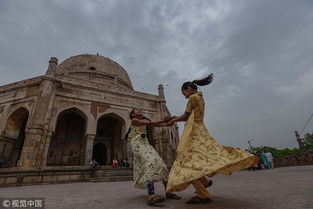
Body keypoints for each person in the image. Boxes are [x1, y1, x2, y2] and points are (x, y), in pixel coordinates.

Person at [165, 74, 257, 204]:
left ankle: (202, 194)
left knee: (186, 162)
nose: (184, 95)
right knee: (196, 158)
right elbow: (188, 116)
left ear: (189, 89)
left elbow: (186, 115)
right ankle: (204, 182)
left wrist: (172, 120)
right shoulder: (200, 98)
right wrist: (174, 118)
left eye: (184, 92)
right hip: (200, 130)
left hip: (194, 133)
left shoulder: (192, 98)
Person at [127, 108, 181, 206]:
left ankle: (168, 191)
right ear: (133, 115)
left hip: (146, 143)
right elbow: (151, 123)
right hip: (138, 144)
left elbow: (155, 124)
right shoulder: (134, 121)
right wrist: (165, 120)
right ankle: (151, 195)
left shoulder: (144, 120)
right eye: (136, 110)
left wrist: (167, 123)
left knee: (161, 163)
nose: (139, 110)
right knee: (150, 164)